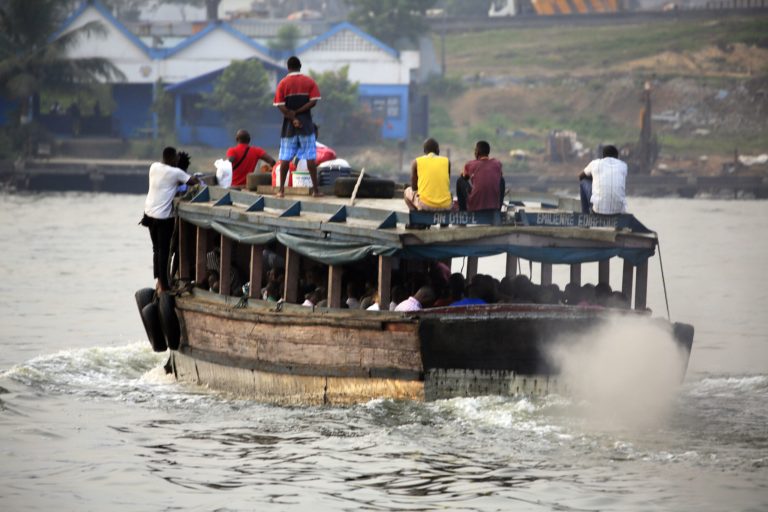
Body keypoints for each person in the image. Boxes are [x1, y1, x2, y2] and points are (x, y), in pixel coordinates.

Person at [141, 146, 199, 293]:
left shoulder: (154, 167)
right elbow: (195, 182)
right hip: (163, 218)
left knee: (156, 250)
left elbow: (167, 181)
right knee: (164, 251)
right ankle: (165, 287)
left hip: (148, 215)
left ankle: (159, 282)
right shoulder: (176, 172)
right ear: (173, 158)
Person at [274, 56, 322, 197]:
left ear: (288, 67)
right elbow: (313, 102)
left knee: (285, 159)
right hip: (306, 126)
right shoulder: (309, 82)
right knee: (310, 158)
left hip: (288, 128)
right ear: (300, 66)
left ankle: (281, 190)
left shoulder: (282, 83)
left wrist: (292, 117)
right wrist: (299, 113)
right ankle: (316, 191)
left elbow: (280, 106)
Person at [404, 138, 452, 211]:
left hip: (425, 205)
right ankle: (444, 221)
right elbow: (446, 184)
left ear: (424, 151)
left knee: (407, 191)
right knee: (449, 193)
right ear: (437, 150)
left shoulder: (416, 162)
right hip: (446, 205)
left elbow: (414, 188)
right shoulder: (447, 161)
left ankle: (416, 216)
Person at [578, 145, 628, 215]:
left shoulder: (595, 163)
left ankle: (585, 214)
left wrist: (594, 178)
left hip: (598, 210)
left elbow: (581, 176)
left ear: (603, 156)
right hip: (619, 211)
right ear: (617, 156)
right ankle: (619, 225)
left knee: (583, 182)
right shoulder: (623, 166)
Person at [457, 140, 505, 212]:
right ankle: (498, 210)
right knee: (501, 180)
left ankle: (462, 211)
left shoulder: (470, 164)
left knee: (460, 181)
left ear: (477, 152)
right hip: (493, 205)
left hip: (475, 205)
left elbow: (464, 177)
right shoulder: (497, 163)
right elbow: (499, 175)